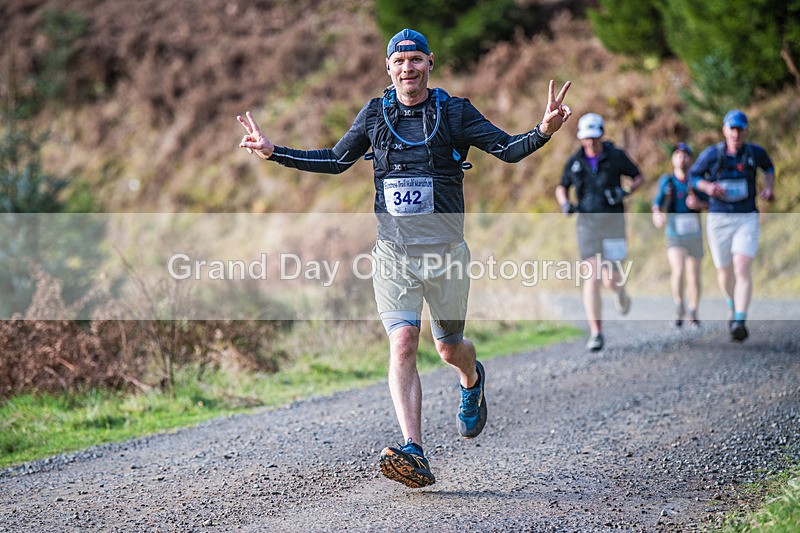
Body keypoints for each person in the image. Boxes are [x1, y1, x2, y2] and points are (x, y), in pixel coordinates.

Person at [237, 28, 572, 488]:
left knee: (450, 348)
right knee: (403, 341)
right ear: (388, 67)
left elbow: (506, 150)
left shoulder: (454, 112)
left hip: (447, 255)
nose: (408, 68)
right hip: (394, 253)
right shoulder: (376, 114)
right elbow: (336, 160)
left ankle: (472, 380)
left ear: (429, 63)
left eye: (416, 60)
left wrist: (542, 132)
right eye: (399, 61)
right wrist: (275, 152)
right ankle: (414, 449)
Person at [555, 113, 644, 352]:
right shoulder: (575, 161)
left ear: (601, 135)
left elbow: (638, 177)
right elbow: (561, 187)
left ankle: (620, 292)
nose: (590, 143)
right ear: (581, 138)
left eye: (594, 138)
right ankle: (596, 332)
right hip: (587, 224)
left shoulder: (616, 156)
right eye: (586, 138)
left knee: (612, 280)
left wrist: (625, 191)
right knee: (591, 276)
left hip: (613, 223)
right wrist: (565, 204)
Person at [689, 110, 775, 342]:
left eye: (740, 129)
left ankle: (739, 319)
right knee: (724, 271)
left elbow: (768, 167)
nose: (736, 133)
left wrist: (769, 188)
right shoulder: (712, 154)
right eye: (732, 129)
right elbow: (693, 176)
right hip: (719, 219)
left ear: (746, 130)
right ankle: (732, 302)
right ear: (724, 130)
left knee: (741, 268)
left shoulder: (754, 153)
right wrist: (707, 187)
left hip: (746, 217)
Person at [652, 142, 709, 328]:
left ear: (690, 159)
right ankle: (679, 306)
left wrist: (699, 205)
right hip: (674, 234)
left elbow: (711, 202)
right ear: (673, 159)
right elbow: (657, 204)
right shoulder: (667, 182)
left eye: (685, 155)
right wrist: (657, 215)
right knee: (678, 271)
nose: (681, 158)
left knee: (694, 275)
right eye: (677, 154)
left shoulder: (697, 181)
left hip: (694, 234)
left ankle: (693, 310)